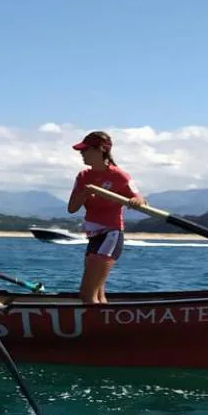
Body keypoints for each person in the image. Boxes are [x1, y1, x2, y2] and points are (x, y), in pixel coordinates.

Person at [67, 130, 146, 304]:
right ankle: (102, 322)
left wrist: (135, 200)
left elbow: (140, 199)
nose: (82, 154)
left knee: (87, 294)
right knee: (97, 295)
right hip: (93, 236)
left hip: (111, 234)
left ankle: (94, 327)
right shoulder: (83, 176)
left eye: (86, 150)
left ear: (101, 149)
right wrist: (86, 191)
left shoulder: (120, 176)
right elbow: (72, 208)